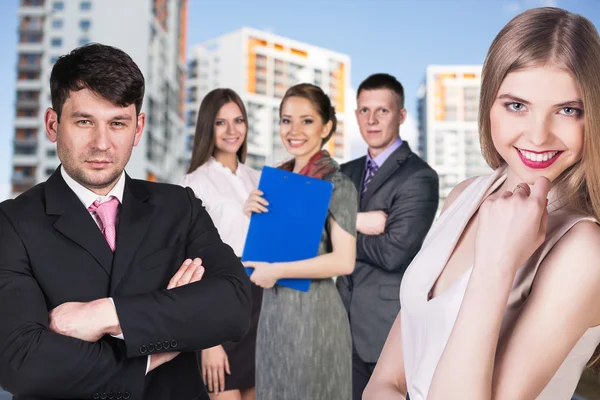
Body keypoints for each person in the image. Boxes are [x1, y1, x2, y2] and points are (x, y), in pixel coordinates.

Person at [364, 7, 600, 400]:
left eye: (567, 110)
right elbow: (386, 381)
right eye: (517, 106)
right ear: (488, 104)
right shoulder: (464, 195)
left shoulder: (584, 251)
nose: (538, 136)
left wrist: (497, 263)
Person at [0, 43, 251, 400]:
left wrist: (104, 314)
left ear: (138, 128)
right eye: (84, 121)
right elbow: (22, 363)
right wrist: (157, 343)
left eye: (117, 123)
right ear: (53, 125)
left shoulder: (179, 205)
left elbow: (233, 306)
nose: (102, 144)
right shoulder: (11, 223)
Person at [243, 83, 356, 400]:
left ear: (327, 126)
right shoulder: (275, 182)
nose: (294, 130)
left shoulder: (338, 184)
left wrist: (277, 271)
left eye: (306, 120)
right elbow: (265, 252)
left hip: (316, 319)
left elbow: (343, 261)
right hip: (275, 317)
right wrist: (250, 214)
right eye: (286, 120)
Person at [336, 73, 439, 399]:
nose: (372, 119)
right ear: (355, 116)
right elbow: (315, 235)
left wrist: (338, 229)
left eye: (382, 110)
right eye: (364, 111)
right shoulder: (344, 172)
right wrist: (355, 222)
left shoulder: (419, 176)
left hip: (385, 328)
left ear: (401, 116)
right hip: (339, 325)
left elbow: (394, 252)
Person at [179, 88, 261, 400]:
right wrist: (208, 342)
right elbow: (187, 265)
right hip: (219, 301)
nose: (232, 130)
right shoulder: (192, 184)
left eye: (238, 120)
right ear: (207, 128)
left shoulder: (259, 178)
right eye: (221, 122)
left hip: (262, 301)